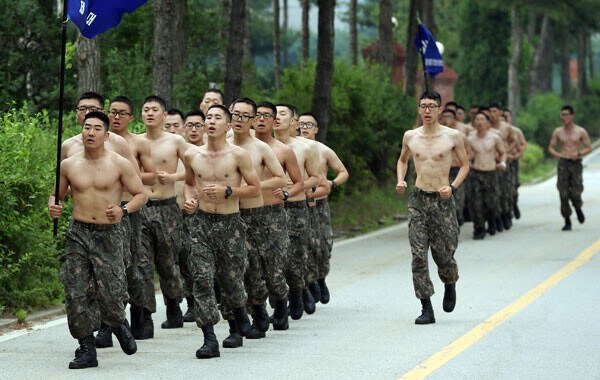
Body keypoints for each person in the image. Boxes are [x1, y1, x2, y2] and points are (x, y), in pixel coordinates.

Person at [49, 112, 147, 369]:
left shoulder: (119, 163)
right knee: (75, 291)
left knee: (112, 293)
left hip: (109, 233)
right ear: (81, 131)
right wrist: (53, 206)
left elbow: (140, 195)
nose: (90, 132)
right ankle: (86, 347)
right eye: (87, 127)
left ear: (107, 134)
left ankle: (117, 321)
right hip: (78, 233)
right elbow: (56, 195)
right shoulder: (69, 164)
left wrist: (123, 210)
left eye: (96, 128)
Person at [183, 104, 260, 359]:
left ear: (227, 126)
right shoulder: (192, 155)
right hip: (201, 224)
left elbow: (254, 188)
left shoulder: (238, 155)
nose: (212, 121)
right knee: (203, 279)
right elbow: (188, 184)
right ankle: (209, 339)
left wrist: (230, 191)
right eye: (209, 117)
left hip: (230, 224)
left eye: (218, 117)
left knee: (231, 280)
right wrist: (190, 200)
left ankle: (238, 315)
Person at [396, 91, 469, 325]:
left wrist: (453, 187)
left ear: (439, 110)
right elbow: (402, 160)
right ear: (419, 110)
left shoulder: (453, 136)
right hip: (418, 199)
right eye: (423, 106)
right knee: (418, 255)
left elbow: (466, 165)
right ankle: (426, 307)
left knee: (444, 254)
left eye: (431, 106)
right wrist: (401, 179)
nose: (427, 111)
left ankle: (450, 282)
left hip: (442, 199)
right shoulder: (411, 136)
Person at [94, 96, 157, 346]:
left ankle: (141, 313)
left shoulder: (137, 144)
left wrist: (122, 174)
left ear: (131, 117)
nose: (116, 117)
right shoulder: (97, 143)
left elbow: (149, 178)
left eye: (122, 113)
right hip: (103, 213)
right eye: (112, 112)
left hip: (129, 210)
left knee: (133, 267)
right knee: (105, 269)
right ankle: (108, 325)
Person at [228, 97, 288, 341]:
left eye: (245, 116)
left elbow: (280, 178)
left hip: (255, 214)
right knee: (230, 270)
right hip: (227, 215)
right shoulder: (222, 145)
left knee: (255, 267)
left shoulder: (261, 148)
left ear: (252, 120)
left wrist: (253, 186)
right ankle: (235, 324)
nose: (239, 120)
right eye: (236, 114)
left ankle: (261, 309)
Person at [137, 95, 189, 336]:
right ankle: (146, 317)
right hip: (142, 208)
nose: (149, 113)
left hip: (168, 207)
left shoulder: (176, 141)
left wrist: (175, 177)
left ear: (164, 115)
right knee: (142, 265)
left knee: (168, 262)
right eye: (145, 109)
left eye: (154, 109)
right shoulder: (135, 143)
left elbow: (196, 166)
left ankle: (173, 306)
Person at [253, 101, 305, 324]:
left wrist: (286, 194)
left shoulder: (283, 151)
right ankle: (259, 312)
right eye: (258, 115)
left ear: (274, 121)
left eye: (267, 116)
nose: (262, 119)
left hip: (274, 214)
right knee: (251, 267)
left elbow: (298, 183)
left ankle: (281, 306)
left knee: (274, 265)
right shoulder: (241, 148)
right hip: (247, 212)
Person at [275, 104, 321, 317]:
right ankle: (282, 299)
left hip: (296, 207)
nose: (276, 117)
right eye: (273, 113)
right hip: (271, 207)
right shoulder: (263, 146)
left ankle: (299, 291)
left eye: (282, 113)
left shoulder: (305, 147)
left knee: (296, 255)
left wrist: (295, 185)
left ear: (293, 121)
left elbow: (316, 178)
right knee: (275, 257)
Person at [298, 112, 349, 303]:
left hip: (319, 204)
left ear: (316, 129)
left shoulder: (324, 151)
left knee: (324, 245)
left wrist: (332, 184)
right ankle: (308, 283)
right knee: (307, 246)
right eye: (301, 124)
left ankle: (321, 277)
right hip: (299, 203)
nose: (305, 128)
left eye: (309, 125)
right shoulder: (293, 149)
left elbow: (343, 172)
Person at [548, 105, 592, 230]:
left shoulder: (581, 131)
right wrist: (559, 155)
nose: (564, 117)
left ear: (572, 116)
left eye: (566, 114)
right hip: (563, 163)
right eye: (562, 115)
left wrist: (578, 153)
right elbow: (551, 147)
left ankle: (578, 207)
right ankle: (567, 220)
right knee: (563, 193)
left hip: (576, 163)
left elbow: (589, 147)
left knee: (576, 192)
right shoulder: (558, 132)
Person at [468, 111, 507, 239]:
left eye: (482, 119)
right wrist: (468, 164)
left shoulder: (494, 138)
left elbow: (503, 152)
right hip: (476, 173)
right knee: (477, 203)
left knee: (492, 202)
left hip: (491, 173)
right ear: (474, 123)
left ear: (487, 123)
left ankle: (492, 220)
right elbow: (466, 156)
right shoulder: (470, 139)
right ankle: (479, 229)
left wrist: (502, 163)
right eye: (477, 119)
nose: (479, 122)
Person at [439, 109, 470, 226]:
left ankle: (457, 219)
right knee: (443, 199)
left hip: (457, 170)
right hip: (443, 172)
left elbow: (470, 153)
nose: (447, 120)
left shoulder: (459, 136)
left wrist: (461, 158)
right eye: (444, 117)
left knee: (458, 199)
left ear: (454, 120)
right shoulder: (437, 137)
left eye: (450, 117)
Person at [489, 103, 517, 230]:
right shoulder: (486, 127)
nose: (492, 114)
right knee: (494, 192)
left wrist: (507, 151)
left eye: (494, 111)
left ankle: (506, 213)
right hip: (491, 164)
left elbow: (514, 141)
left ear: (500, 113)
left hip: (503, 162)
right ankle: (496, 216)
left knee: (505, 191)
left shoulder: (506, 127)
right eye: (490, 111)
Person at [504, 109, 527, 219]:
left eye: (507, 116)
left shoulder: (516, 131)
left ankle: (514, 203)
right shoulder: (497, 131)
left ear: (511, 118)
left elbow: (523, 145)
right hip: (502, 162)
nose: (505, 118)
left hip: (513, 161)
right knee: (504, 187)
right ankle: (506, 209)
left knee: (514, 185)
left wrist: (517, 155)